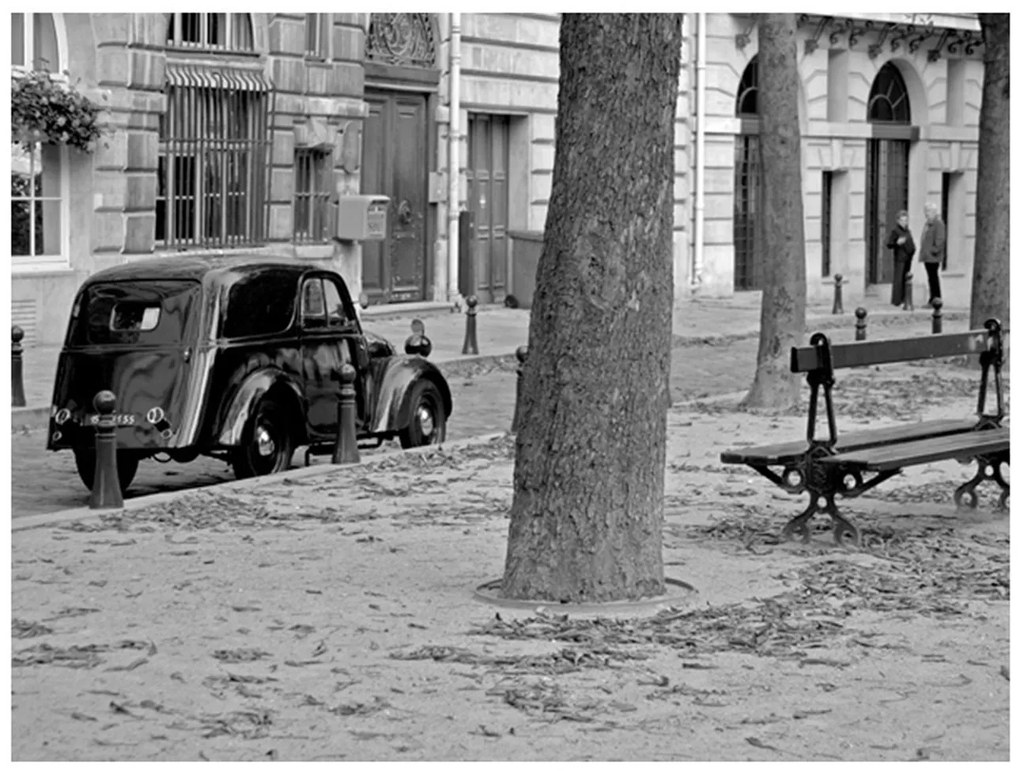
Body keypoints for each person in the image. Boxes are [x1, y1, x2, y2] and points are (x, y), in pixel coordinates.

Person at [886, 209, 915, 308]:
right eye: (902, 220)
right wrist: (897, 243)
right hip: (900, 257)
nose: (904, 222)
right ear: (898, 221)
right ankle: (897, 300)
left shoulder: (907, 231)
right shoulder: (895, 231)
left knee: (905, 279)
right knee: (898, 279)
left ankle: (904, 298)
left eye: (906, 220)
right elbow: (889, 244)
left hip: (908, 257)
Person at [918, 202, 945, 306]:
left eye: (928, 212)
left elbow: (940, 239)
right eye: (926, 212)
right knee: (931, 278)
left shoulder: (938, 223)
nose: (926, 214)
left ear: (934, 212)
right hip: (928, 256)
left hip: (933, 257)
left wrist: (933, 251)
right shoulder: (928, 224)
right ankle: (933, 298)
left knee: (933, 278)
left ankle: (936, 298)